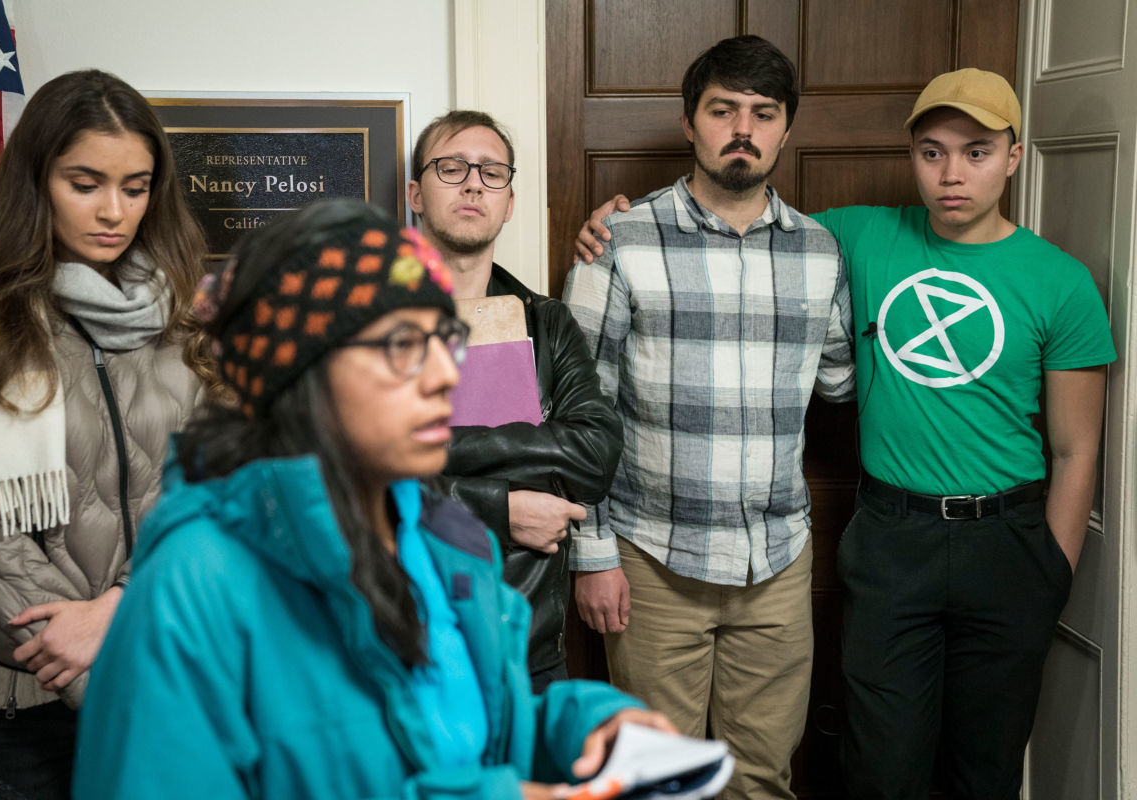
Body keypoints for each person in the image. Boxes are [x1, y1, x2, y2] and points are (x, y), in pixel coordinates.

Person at [577, 68, 1116, 800]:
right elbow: (733, 232)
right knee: (879, 765)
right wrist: (612, 223)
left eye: (978, 152)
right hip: (889, 535)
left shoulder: (1056, 281)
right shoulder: (851, 236)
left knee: (984, 763)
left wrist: (1052, 568)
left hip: (1006, 541)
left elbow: (1077, 447)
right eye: (932, 153)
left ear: (1014, 157)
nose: (952, 174)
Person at [71, 199, 672, 799]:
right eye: (403, 345)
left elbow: (479, 727)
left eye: (446, 339)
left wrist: (585, 726)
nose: (445, 374)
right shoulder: (194, 584)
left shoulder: (446, 540)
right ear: (300, 369)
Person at [561, 36, 855, 799]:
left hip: (777, 563)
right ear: (690, 122)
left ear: (786, 129)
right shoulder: (617, 243)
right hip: (654, 560)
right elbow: (578, 410)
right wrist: (591, 555)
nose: (743, 129)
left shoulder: (822, 252)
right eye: (723, 109)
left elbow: (841, 385)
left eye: (763, 113)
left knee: (761, 777)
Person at [0, 69, 214, 799]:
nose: (113, 211)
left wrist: (120, 608)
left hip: (157, 660)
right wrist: (98, 674)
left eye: (135, 185)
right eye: (85, 183)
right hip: (22, 694)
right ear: (38, 181)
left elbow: (207, 486)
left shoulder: (180, 319)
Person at [408, 110, 622, 693]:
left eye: (492, 172)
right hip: (397, 643)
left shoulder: (548, 323)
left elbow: (595, 454)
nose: (473, 182)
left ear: (508, 201)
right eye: (451, 168)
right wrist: (501, 507)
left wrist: (423, 450)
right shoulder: (361, 323)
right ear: (416, 195)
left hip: (524, 645)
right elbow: (339, 480)